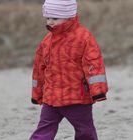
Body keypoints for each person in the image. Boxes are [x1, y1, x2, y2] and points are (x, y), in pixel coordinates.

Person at [29, 0, 108, 140]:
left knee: (85, 131)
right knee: (43, 131)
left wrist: (98, 90)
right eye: (48, 18)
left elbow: (94, 64)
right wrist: (37, 93)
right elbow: (39, 69)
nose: (50, 22)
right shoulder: (47, 40)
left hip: (77, 98)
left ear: (69, 16)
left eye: (55, 18)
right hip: (51, 99)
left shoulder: (83, 37)